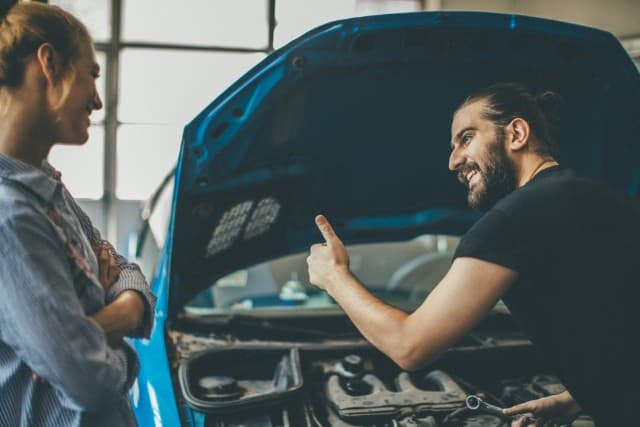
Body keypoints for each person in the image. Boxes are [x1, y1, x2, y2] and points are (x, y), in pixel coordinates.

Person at [307, 82, 640, 426]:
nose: (453, 162)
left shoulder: (513, 219)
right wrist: (580, 397)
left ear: (516, 133)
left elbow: (409, 346)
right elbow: (621, 323)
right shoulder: (599, 198)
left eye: (466, 138)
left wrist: (335, 277)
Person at [0, 3, 155, 426]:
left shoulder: (48, 191)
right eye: (92, 74)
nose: (99, 100)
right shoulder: (9, 217)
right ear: (49, 63)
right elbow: (89, 380)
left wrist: (119, 312)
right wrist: (121, 340)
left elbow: (124, 267)